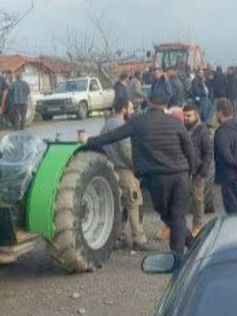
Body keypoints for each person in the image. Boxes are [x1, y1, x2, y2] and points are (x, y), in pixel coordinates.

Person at [79, 90, 198, 256]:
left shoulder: (138, 123)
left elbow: (113, 136)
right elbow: (189, 148)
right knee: (176, 217)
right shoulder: (176, 123)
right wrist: (192, 172)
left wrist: (89, 140)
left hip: (158, 178)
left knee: (169, 215)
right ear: (165, 105)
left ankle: (177, 257)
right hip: (181, 176)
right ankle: (191, 244)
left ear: (148, 102)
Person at [101, 96, 148, 251]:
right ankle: (139, 239)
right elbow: (126, 150)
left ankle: (117, 235)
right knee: (135, 202)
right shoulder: (121, 126)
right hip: (124, 170)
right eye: (131, 108)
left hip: (109, 168)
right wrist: (136, 167)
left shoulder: (107, 124)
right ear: (123, 109)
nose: (133, 111)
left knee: (118, 205)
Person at [184, 103, 213, 236]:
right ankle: (174, 227)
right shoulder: (183, 129)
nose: (186, 118)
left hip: (197, 172)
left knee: (197, 199)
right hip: (184, 170)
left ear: (196, 115)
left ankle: (197, 225)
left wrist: (203, 171)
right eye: (184, 115)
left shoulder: (203, 131)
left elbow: (208, 153)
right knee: (178, 199)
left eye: (189, 115)